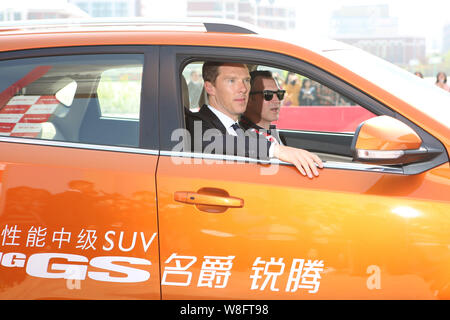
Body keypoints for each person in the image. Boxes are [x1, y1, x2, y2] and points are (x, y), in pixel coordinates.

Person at [185, 62, 323, 178]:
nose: (243, 89)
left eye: (246, 81)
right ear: (210, 87)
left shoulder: (243, 129)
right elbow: (212, 141)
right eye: (232, 81)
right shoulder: (194, 123)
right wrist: (276, 150)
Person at [239, 70, 285, 145]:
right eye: (268, 94)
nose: (277, 100)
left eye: (279, 94)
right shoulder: (244, 139)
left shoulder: (272, 132)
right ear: (249, 99)